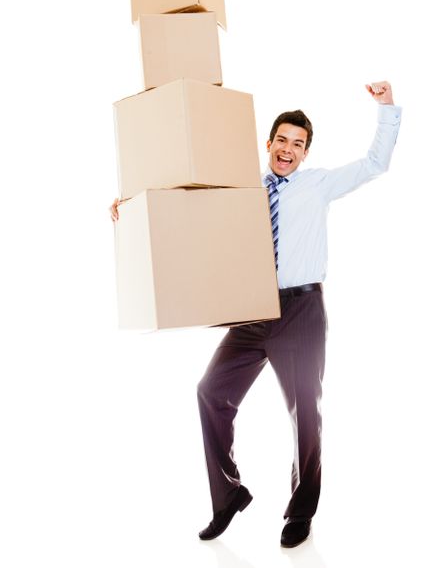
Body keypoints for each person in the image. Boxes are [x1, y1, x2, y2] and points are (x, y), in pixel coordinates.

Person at [109, 81, 402, 548]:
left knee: (306, 412)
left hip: (301, 308)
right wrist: (132, 210)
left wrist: (386, 107)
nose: (288, 150)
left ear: (306, 153)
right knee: (211, 392)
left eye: (298, 145)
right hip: (251, 310)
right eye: (282, 141)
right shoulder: (242, 187)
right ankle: (228, 495)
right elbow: (185, 210)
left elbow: (374, 164)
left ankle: (300, 512)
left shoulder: (318, 184)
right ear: (268, 144)